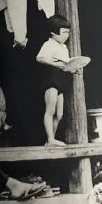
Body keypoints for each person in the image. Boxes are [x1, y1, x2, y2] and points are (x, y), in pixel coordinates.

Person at [35, 14, 77, 147]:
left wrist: (73, 69)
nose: (67, 35)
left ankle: (50, 141)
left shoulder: (63, 47)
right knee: (50, 110)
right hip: (51, 80)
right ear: (53, 33)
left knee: (59, 114)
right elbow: (40, 58)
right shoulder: (49, 44)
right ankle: (51, 139)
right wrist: (55, 64)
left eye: (68, 33)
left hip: (61, 81)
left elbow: (65, 65)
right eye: (64, 32)